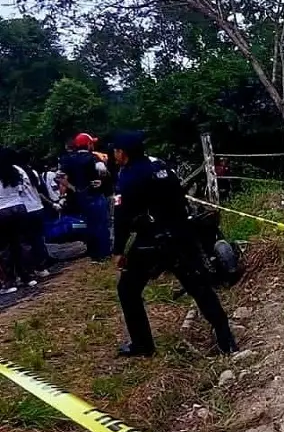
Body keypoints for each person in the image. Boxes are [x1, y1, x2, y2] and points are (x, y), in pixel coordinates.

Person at [111, 130, 237, 357]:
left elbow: (121, 218)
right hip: (182, 235)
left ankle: (142, 345)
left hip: (152, 242)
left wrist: (118, 250)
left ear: (123, 153)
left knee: (127, 289)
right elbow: (180, 196)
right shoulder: (160, 167)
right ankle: (226, 340)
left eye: (116, 150)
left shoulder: (128, 177)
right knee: (200, 287)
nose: (114, 154)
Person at [59, 132, 111, 262]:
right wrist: (100, 180)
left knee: (88, 225)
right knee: (101, 224)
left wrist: (74, 189)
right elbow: (103, 171)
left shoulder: (68, 159)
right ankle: (104, 254)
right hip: (95, 195)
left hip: (79, 198)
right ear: (88, 144)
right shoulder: (93, 158)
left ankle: (93, 254)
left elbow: (60, 177)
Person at [0, 148, 35, 294]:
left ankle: (10, 282)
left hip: (2, 210)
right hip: (19, 207)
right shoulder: (17, 170)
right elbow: (22, 189)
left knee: (5, 248)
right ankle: (27, 276)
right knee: (22, 243)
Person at [12, 152, 52, 277]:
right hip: (38, 207)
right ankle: (42, 265)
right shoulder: (32, 172)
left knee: (26, 241)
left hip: (26, 209)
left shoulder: (14, 173)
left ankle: (32, 268)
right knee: (38, 238)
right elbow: (39, 190)